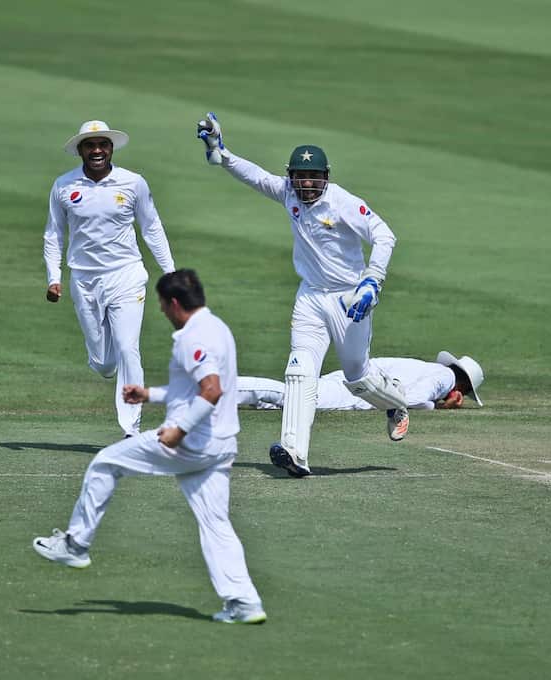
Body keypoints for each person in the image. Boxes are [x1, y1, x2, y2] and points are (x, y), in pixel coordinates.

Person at [31, 269, 266, 624]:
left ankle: (76, 544)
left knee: (106, 461)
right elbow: (195, 390)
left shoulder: (193, 337)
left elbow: (212, 390)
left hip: (192, 444)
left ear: (174, 303)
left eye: (161, 304)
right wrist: (148, 395)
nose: (160, 311)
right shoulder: (218, 328)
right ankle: (245, 602)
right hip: (222, 445)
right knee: (216, 524)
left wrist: (179, 431)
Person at [196, 112, 407, 478]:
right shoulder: (288, 192)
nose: (306, 183)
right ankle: (295, 453)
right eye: (299, 175)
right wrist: (222, 152)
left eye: (313, 177)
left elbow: (385, 235)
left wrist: (372, 281)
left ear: (326, 177)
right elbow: (257, 176)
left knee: (357, 378)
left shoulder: (342, 203)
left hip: (349, 299)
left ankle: (396, 403)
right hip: (310, 297)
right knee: (299, 371)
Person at [44, 120, 177, 437]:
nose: (97, 150)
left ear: (112, 148)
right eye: (90, 145)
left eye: (103, 144)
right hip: (84, 280)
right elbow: (53, 235)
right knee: (105, 363)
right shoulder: (64, 186)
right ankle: (107, 362)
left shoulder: (133, 183)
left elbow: (152, 228)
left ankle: (131, 428)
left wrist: (171, 273)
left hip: (126, 275)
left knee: (129, 348)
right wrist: (53, 277)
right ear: (80, 151)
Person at [238, 353, 485, 412]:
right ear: (462, 387)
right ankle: (225, 388)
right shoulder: (446, 377)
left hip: (352, 380)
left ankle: (226, 395)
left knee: (287, 403)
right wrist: (438, 407)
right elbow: (413, 399)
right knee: (291, 396)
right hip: (357, 390)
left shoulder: (430, 368)